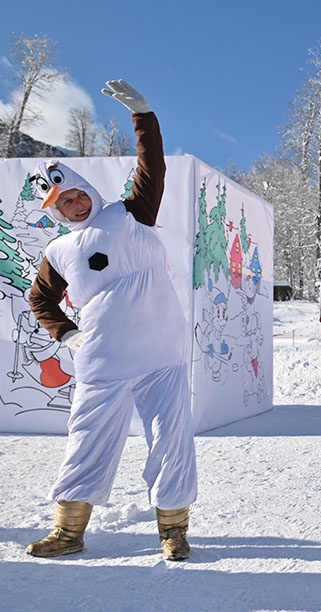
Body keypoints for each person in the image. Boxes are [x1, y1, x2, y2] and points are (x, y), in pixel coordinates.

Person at [26, 80, 197, 561]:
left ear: (89, 189)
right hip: (102, 359)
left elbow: (152, 166)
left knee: (173, 439)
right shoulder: (57, 251)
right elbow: (40, 300)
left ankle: (173, 529)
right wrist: (69, 335)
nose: (76, 205)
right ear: (56, 212)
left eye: (77, 194)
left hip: (163, 353)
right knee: (87, 439)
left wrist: (143, 116)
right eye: (64, 203)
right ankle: (69, 530)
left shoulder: (132, 213)